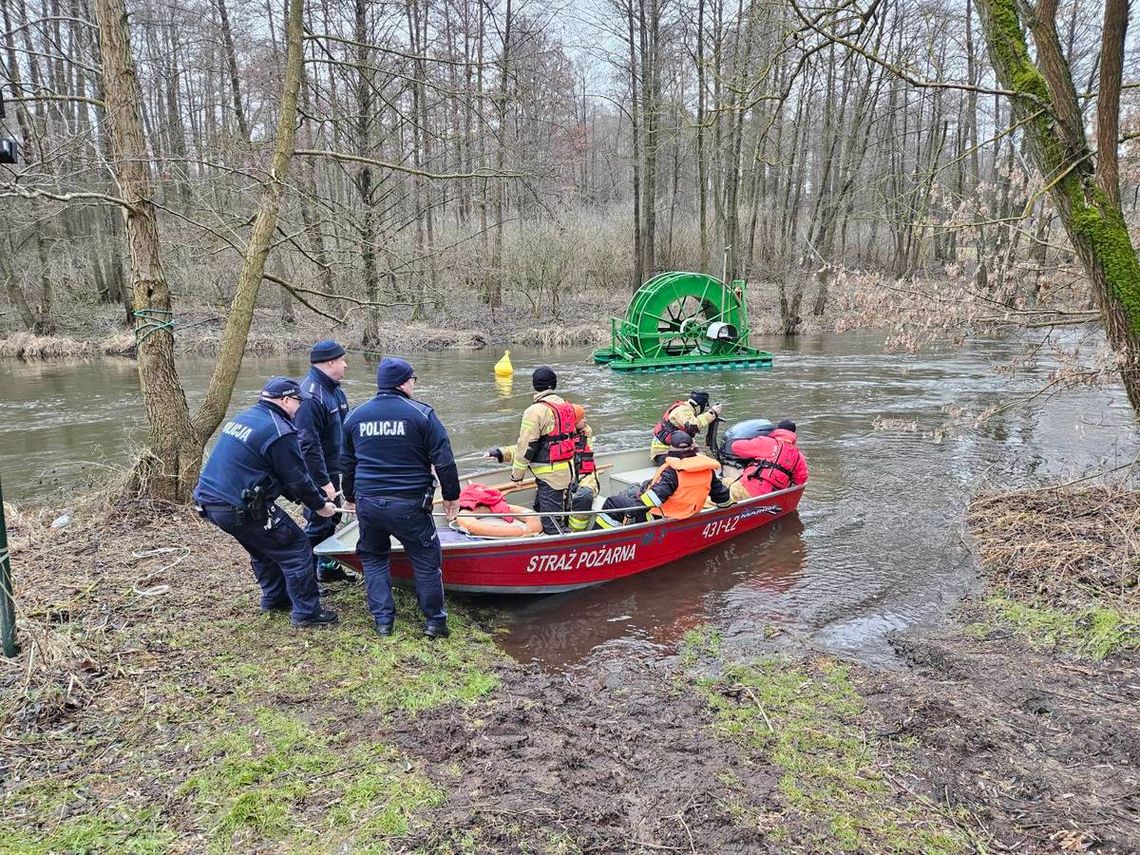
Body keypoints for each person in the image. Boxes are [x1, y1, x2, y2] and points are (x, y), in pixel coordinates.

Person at [193, 377, 339, 627]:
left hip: (210, 501)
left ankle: (275, 598)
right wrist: (320, 505)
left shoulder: (244, 418)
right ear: (285, 400)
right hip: (239, 507)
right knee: (296, 548)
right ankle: (307, 613)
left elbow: (273, 474)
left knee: (263, 548)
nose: (300, 407)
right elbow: (297, 478)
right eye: (298, 402)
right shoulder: (279, 431)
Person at [341, 357, 461, 639]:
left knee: (373, 558)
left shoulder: (355, 416)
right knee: (425, 560)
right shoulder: (421, 414)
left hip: (368, 501)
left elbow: (346, 463)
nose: (414, 385)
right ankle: (434, 622)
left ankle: (383, 622)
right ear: (405, 382)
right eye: (413, 380)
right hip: (409, 503)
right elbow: (444, 461)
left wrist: (350, 496)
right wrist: (451, 497)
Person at [296, 339, 353, 583]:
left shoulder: (335, 390)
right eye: (342, 360)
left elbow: (347, 428)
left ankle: (327, 568)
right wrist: (322, 481)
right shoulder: (309, 396)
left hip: (334, 467)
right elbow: (307, 444)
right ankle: (304, 579)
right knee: (319, 521)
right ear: (330, 363)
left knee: (333, 518)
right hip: (317, 472)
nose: (346, 365)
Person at [505, 366, 583, 534]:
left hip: (549, 475)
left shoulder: (535, 411)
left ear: (534, 385)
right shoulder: (567, 406)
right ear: (554, 384)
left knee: (552, 525)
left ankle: (562, 549)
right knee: (544, 510)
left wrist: (517, 476)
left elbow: (526, 446)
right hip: (567, 471)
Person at [639, 430, 732, 519]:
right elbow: (722, 497)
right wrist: (726, 506)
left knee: (631, 493)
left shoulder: (672, 473)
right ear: (693, 447)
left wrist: (637, 504)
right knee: (647, 483)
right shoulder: (708, 470)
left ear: (671, 448)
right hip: (691, 513)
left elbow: (654, 498)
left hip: (665, 516)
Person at [728, 419, 809, 502]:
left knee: (725, 481)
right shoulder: (799, 456)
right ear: (793, 434)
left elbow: (735, 447)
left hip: (747, 489)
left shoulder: (765, 442)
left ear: (777, 430)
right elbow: (801, 480)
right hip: (770, 499)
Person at [650, 390, 723, 464]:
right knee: (702, 461)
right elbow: (693, 426)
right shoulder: (683, 410)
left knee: (702, 456)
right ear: (699, 405)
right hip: (663, 454)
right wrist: (712, 413)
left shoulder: (684, 409)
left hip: (671, 451)